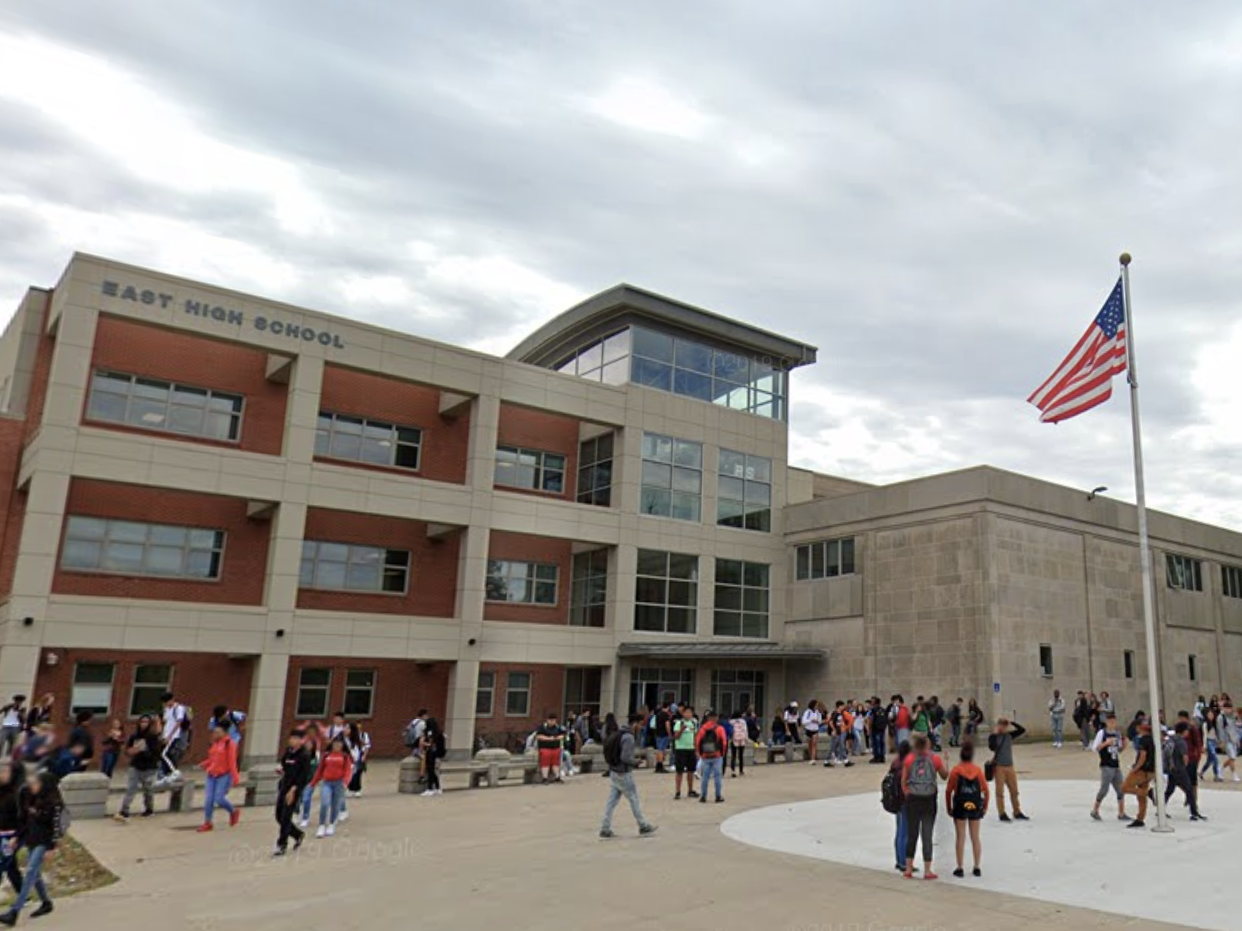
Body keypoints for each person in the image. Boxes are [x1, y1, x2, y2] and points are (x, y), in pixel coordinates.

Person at [0, 770, 62, 925]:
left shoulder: (55, 804)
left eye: (36, 783)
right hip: (31, 839)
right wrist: (17, 837)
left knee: (30, 872)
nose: (32, 786)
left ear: (45, 785)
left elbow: (56, 828)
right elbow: (25, 821)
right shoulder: (30, 798)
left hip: (44, 842)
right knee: (36, 875)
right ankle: (46, 903)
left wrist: (52, 847)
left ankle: (14, 911)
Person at [599, 714, 657, 839]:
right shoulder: (629, 737)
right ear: (635, 724)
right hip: (624, 773)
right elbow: (625, 757)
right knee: (633, 799)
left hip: (614, 771)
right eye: (641, 724)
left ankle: (605, 827)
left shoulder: (619, 733)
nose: (641, 728)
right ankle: (643, 825)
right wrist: (635, 761)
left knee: (611, 802)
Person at [901, 734, 947, 880]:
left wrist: (907, 793)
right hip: (928, 799)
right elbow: (945, 775)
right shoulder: (934, 759)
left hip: (913, 799)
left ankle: (908, 868)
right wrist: (946, 761)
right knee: (927, 835)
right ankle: (927, 870)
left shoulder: (909, 759)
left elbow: (904, 780)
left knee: (912, 834)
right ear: (927, 745)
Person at [945, 742, 988, 878]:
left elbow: (948, 791)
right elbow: (986, 791)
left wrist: (949, 808)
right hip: (975, 806)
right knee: (975, 837)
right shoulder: (978, 770)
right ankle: (976, 866)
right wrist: (984, 807)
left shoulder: (956, 771)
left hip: (960, 805)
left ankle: (960, 867)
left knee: (960, 837)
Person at [113, 715, 161, 822]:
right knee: (131, 788)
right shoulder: (134, 736)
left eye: (146, 722)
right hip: (136, 765)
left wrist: (144, 750)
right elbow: (127, 750)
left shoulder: (152, 736)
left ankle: (149, 809)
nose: (143, 724)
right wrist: (130, 751)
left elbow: (157, 753)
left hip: (149, 767)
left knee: (148, 790)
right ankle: (124, 811)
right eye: (142, 721)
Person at [273, 729, 312, 856]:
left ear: (302, 741)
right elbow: (285, 766)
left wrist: (294, 789)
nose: (292, 741)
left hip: (294, 790)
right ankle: (297, 834)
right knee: (279, 816)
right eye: (291, 738)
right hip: (284, 786)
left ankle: (281, 844)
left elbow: (305, 776)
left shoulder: (304, 755)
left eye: (296, 738)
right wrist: (281, 771)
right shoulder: (288, 753)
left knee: (286, 817)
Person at [197, 722, 240, 833]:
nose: (215, 734)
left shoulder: (230, 744)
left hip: (223, 775)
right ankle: (208, 822)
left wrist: (235, 777)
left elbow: (232, 762)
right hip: (212, 775)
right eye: (214, 732)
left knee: (219, 798)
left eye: (217, 732)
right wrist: (204, 764)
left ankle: (233, 811)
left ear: (224, 732)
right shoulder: (215, 744)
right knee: (208, 800)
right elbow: (212, 759)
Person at [310, 735, 352, 837]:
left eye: (339, 744)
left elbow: (348, 771)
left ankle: (332, 823)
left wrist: (345, 782)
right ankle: (321, 825)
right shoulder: (326, 755)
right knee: (325, 803)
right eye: (335, 743)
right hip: (327, 782)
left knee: (335, 805)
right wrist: (313, 782)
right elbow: (320, 770)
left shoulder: (345, 756)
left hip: (339, 783)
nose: (337, 745)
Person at [988, 718, 1028, 822]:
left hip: (1010, 766)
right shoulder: (994, 737)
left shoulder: (1009, 735)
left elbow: (1022, 730)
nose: (1003, 727)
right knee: (1000, 792)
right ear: (998, 725)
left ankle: (1017, 812)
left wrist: (1012, 722)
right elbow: (991, 747)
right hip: (999, 767)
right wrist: (994, 734)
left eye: (1005, 725)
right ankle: (1002, 813)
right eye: (1002, 725)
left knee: (1014, 791)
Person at [1090, 712, 1129, 821]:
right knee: (1104, 789)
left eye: (1114, 722)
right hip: (1106, 765)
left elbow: (1119, 750)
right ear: (1106, 722)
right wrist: (1106, 743)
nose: (1112, 724)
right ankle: (1095, 810)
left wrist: (1125, 744)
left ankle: (1121, 813)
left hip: (1116, 764)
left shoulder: (1117, 733)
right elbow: (1095, 748)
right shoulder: (1102, 733)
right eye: (1110, 722)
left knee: (1121, 789)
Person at [1164, 721, 1204, 821]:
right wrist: (1185, 766)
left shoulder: (1170, 739)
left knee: (1169, 790)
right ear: (1183, 731)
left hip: (1171, 768)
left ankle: (1161, 809)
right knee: (1189, 790)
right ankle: (1194, 813)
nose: (1188, 732)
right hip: (1180, 769)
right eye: (1187, 730)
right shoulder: (1182, 742)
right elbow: (1185, 757)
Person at [1122, 722, 1157, 828]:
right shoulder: (1152, 739)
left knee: (1125, 788)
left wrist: (1135, 768)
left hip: (1142, 770)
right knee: (1140, 797)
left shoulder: (1143, 740)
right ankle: (1140, 818)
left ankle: (1148, 792)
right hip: (1151, 771)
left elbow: (1143, 755)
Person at [0, 761, 26, 897]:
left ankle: (23, 894)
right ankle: (23, 894)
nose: (1, 774)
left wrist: (16, 837)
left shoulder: (18, 794)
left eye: (5, 771)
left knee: (6, 864)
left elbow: (23, 820)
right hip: (2, 835)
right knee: (10, 866)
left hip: (13, 835)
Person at [887, 739, 912, 871]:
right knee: (905, 833)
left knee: (899, 832)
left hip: (896, 801)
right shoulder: (906, 765)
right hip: (904, 801)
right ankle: (904, 862)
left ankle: (899, 859)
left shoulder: (895, 762)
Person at [695, 711, 727, 804]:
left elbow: (697, 742)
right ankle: (718, 796)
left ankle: (703, 796)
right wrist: (722, 753)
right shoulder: (720, 728)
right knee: (717, 776)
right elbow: (724, 742)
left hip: (705, 755)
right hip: (717, 755)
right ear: (716, 718)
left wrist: (700, 753)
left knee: (705, 776)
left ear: (708, 718)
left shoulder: (702, 729)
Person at [159, 692, 190, 781]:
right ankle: (166, 773)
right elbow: (165, 722)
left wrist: (170, 736)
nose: (165, 704)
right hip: (166, 734)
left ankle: (174, 772)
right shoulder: (166, 709)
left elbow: (178, 722)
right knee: (166, 754)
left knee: (164, 754)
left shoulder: (179, 708)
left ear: (172, 700)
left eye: (166, 702)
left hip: (174, 736)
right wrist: (163, 734)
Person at [671, 706, 699, 799]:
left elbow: (695, 736)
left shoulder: (693, 723)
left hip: (690, 749)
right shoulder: (679, 723)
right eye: (686, 712)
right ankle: (678, 791)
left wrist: (696, 749)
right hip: (681, 749)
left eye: (690, 712)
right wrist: (682, 729)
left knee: (691, 770)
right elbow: (676, 737)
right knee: (679, 771)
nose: (688, 714)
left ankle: (690, 790)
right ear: (683, 713)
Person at [534, 712, 565, 785]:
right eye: (551, 720)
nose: (552, 722)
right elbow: (538, 736)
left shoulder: (558, 727)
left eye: (554, 720)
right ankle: (545, 778)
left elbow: (563, 735)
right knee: (545, 761)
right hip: (545, 748)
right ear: (547, 720)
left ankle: (557, 777)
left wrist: (559, 737)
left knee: (556, 762)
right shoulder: (542, 727)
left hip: (556, 748)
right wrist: (549, 738)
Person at [420, 718, 445, 796]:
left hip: (432, 753)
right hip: (435, 753)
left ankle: (430, 788)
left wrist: (425, 744)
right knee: (432, 771)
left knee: (430, 770)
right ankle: (437, 788)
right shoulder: (438, 732)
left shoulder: (432, 733)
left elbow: (431, 743)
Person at [345, 722, 371, 797]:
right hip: (349, 758)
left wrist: (364, 756)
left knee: (357, 774)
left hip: (358, 757)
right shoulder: (345, 738)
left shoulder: (363, 736)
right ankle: (350, 789)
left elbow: (366, 746)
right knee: (350, 774)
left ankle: (357, 789)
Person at [1200, 707, 1223, 782]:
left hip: (1213, 742)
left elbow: (1214, 734)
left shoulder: (1213, 723)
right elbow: (1205, 735)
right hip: (1208, 742)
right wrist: (1204, 746)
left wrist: (1218, 742)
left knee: (1209, 761)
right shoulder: (1205, 724)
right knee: (1215, 759)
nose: (1211, 715)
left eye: (1212, 714)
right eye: (1209, 714)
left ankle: (1201, 772)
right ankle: (1216, 776)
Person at [728, 710, 748, 777]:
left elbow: (730, 731)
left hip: (734, 739)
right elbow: (745, 730)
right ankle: (741, 770)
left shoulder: (731, 721)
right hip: (741, 739)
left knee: (733, 756)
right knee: (741, 756)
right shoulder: (743, 721)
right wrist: (746, 738)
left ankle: (733, 771)